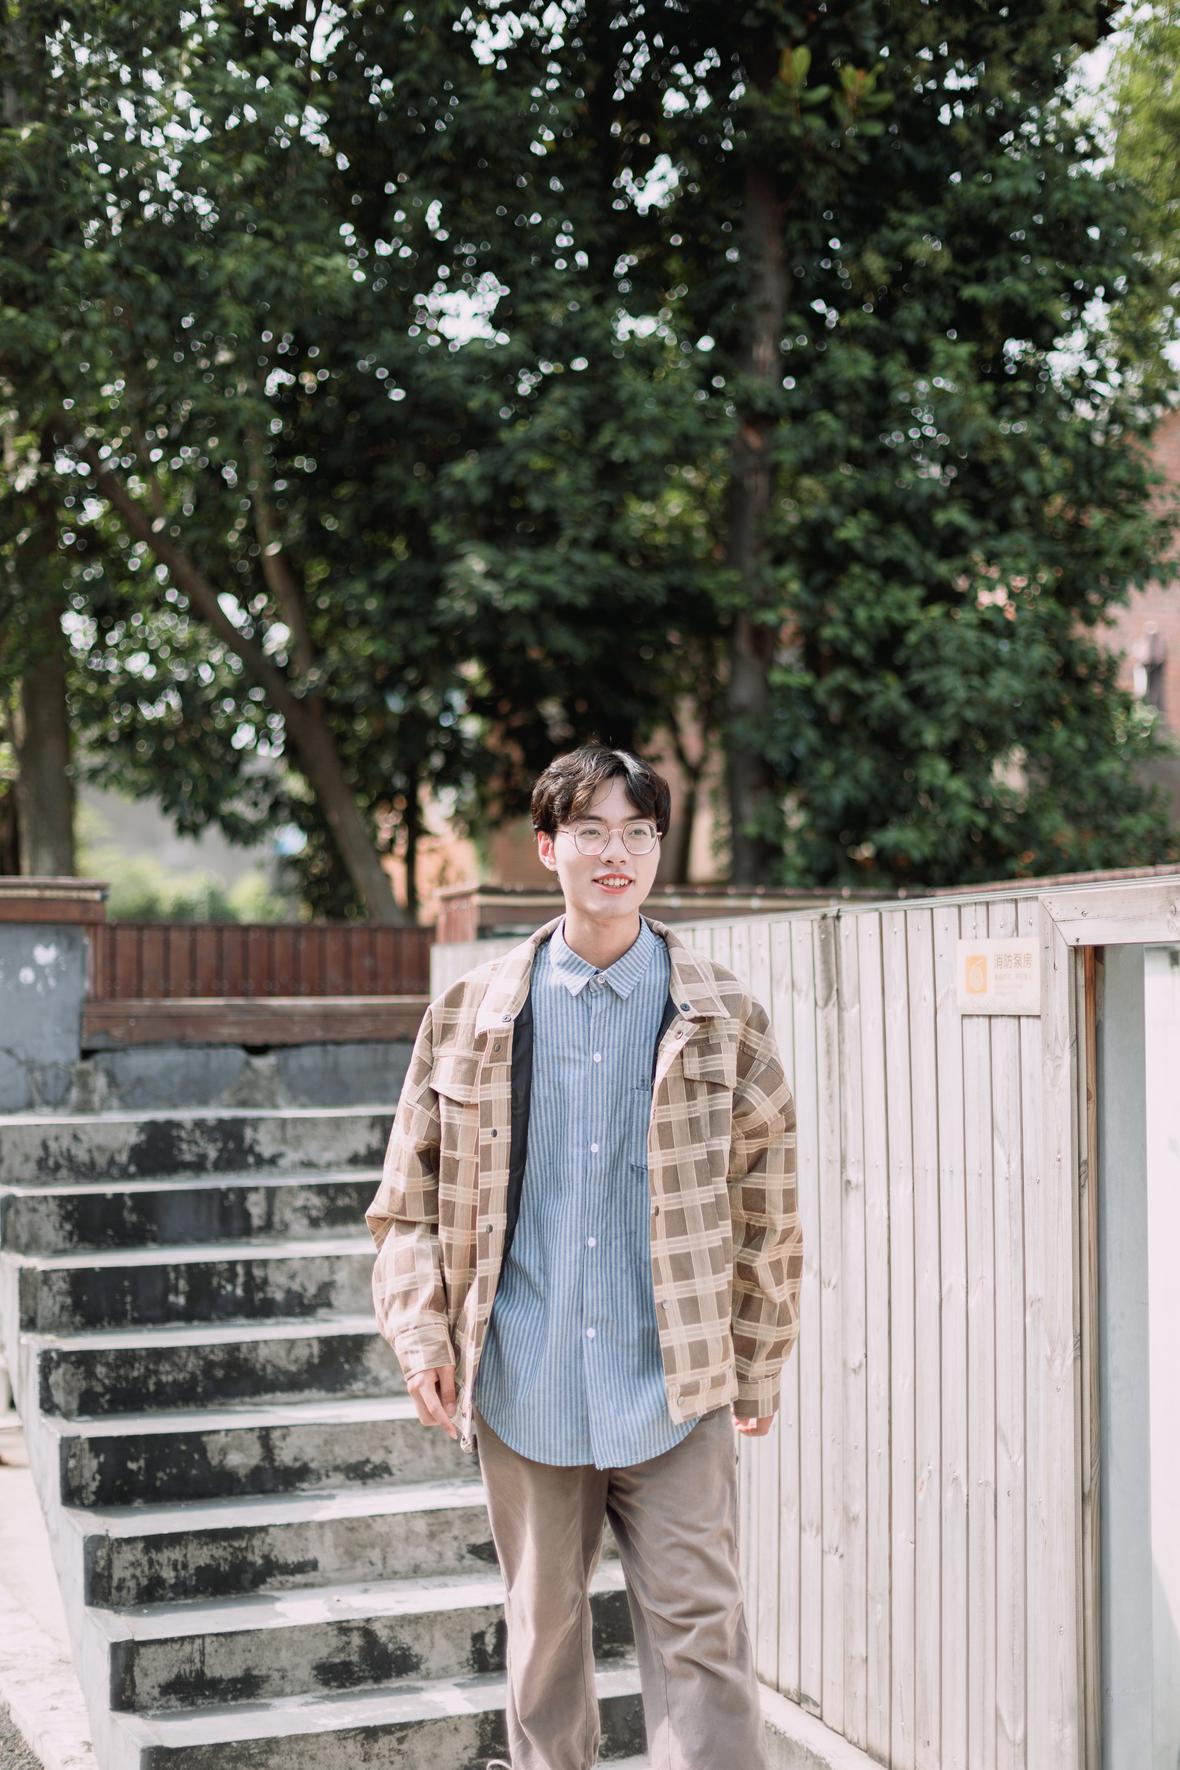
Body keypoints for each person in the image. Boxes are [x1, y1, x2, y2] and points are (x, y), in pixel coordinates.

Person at [365, 744, 803, 1770]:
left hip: (676, 1384)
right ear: (546, 847)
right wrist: (421, 1335)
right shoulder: (470, 1014)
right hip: (529, 1378)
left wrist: (758, 1359)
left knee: (705, 1636)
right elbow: (406, 1203)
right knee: (543, 1640)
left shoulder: (725, 1016)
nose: (618, 854)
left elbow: (768, 1208)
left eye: (638, 833)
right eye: (593, 831)